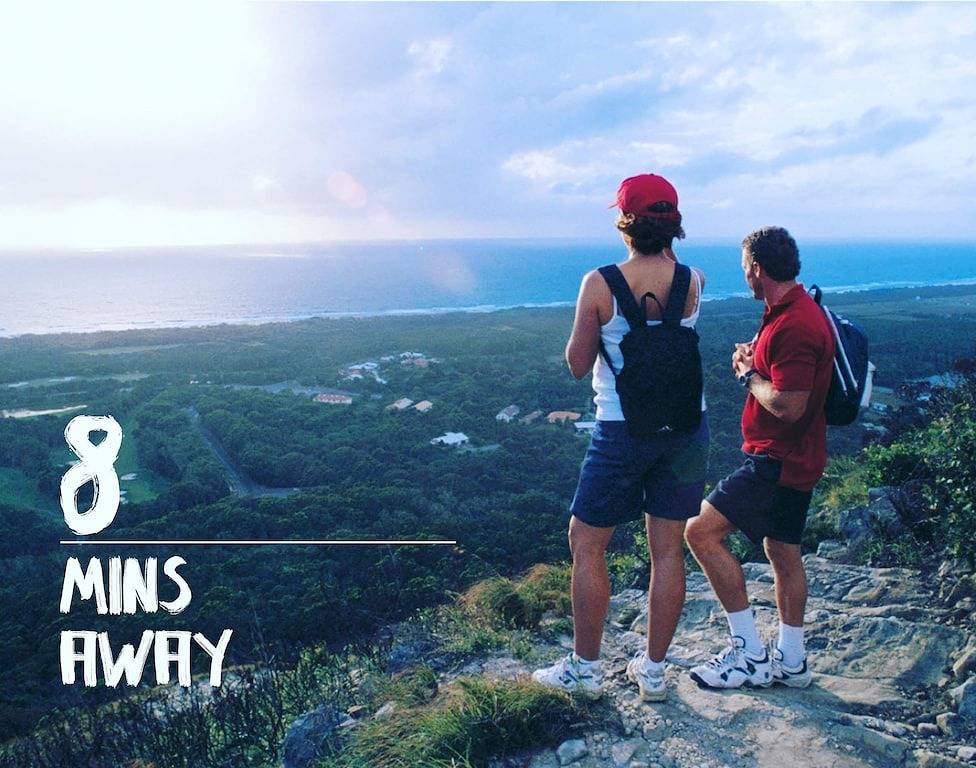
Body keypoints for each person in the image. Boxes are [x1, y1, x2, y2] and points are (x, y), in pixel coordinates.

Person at [532, 174, 708, 702]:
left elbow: (577, 363)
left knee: (586, 543)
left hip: (620, 427)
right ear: (673, 223)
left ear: (625, 223)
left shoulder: (600, 282)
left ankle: (586, 671)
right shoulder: (694, 280)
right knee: (668, 550)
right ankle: (652, 673)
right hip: (686, 428)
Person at [685, 226, 834, 690]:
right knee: (782, 551)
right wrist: (755, 360)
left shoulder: (793, 324)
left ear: (756, 269)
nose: (744, 278)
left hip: (776, 459)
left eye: (745, 270)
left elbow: (790, 405)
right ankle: (791, 660)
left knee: (701, 533)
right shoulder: (792, 311)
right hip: (801, 457)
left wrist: (748, 375)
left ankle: (748, 653)